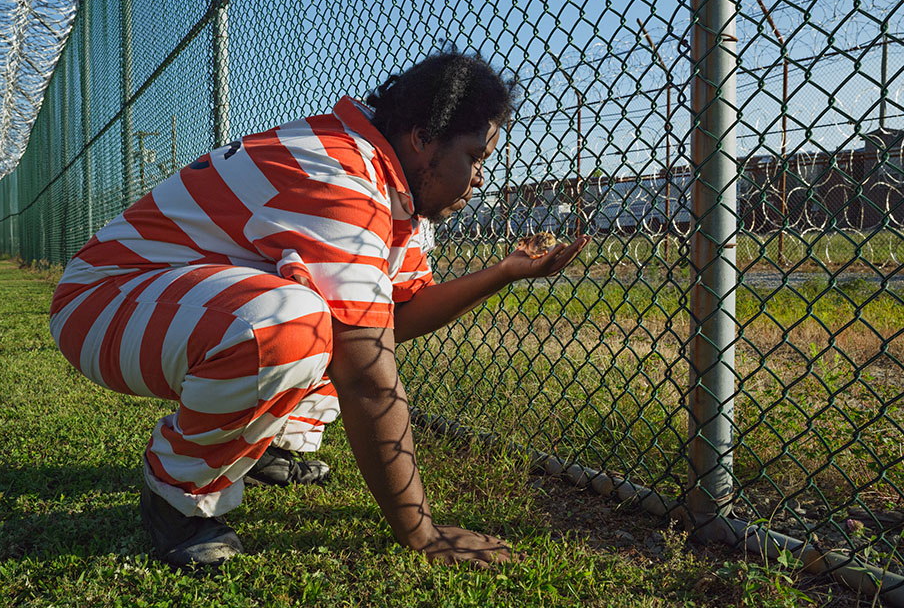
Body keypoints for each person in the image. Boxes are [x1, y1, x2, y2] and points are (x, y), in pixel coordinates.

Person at [49, 49, 587, 569]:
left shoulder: (386, 183)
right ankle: (177, 493)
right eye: (474, 157)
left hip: (160, 299)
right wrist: (421, 532)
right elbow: (368, 375)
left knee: (338, 315)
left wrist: (503, 273)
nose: (481, 178)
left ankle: (259, 448)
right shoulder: (343, 174)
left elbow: (397, 315)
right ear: (423, 138)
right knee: (295, 325)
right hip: (102, 301)